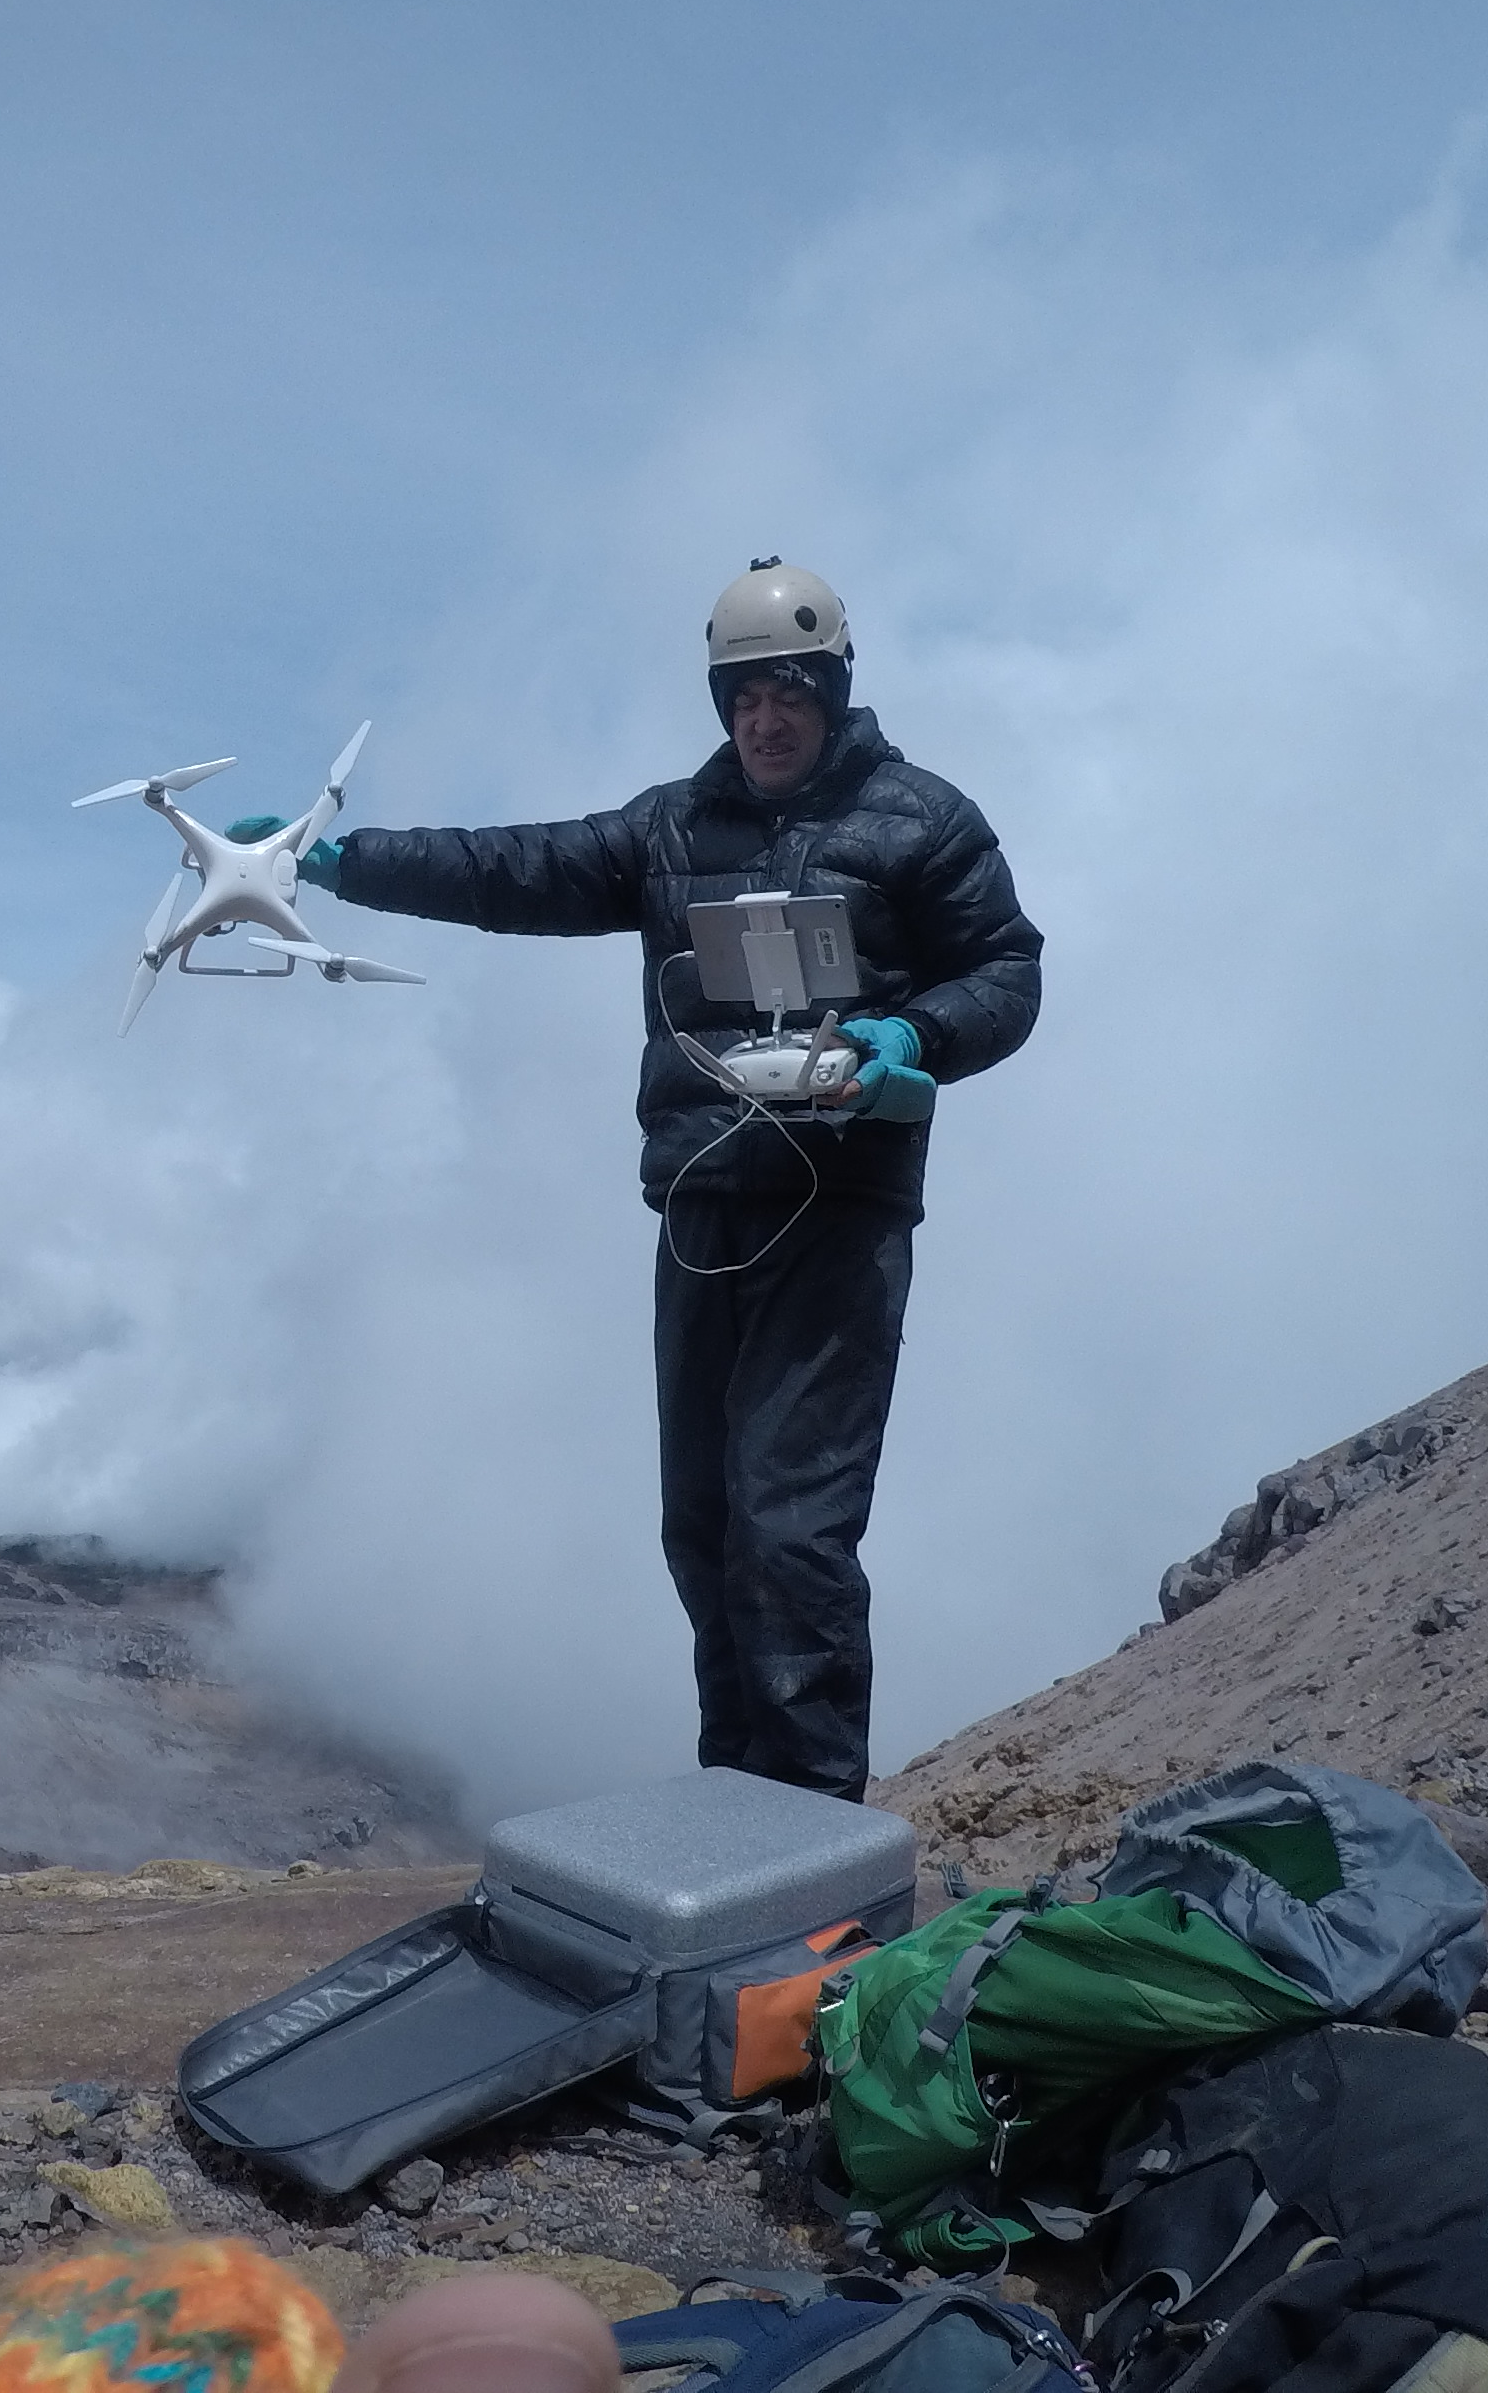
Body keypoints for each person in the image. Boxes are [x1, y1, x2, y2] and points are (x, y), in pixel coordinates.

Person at [293, 559, 1041, 1800]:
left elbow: (1005, 973)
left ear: (834, 688)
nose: (766, 716)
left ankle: (806, 1846)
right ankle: (731, 1812)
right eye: (742, 693)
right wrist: (342, 861)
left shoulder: (925, 820)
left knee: (790, 1529)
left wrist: (912, 1037)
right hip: (701, 1205)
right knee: (700, 1524)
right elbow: (510, 869)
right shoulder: (669, 828)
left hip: (839, 1210)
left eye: (791, 689)